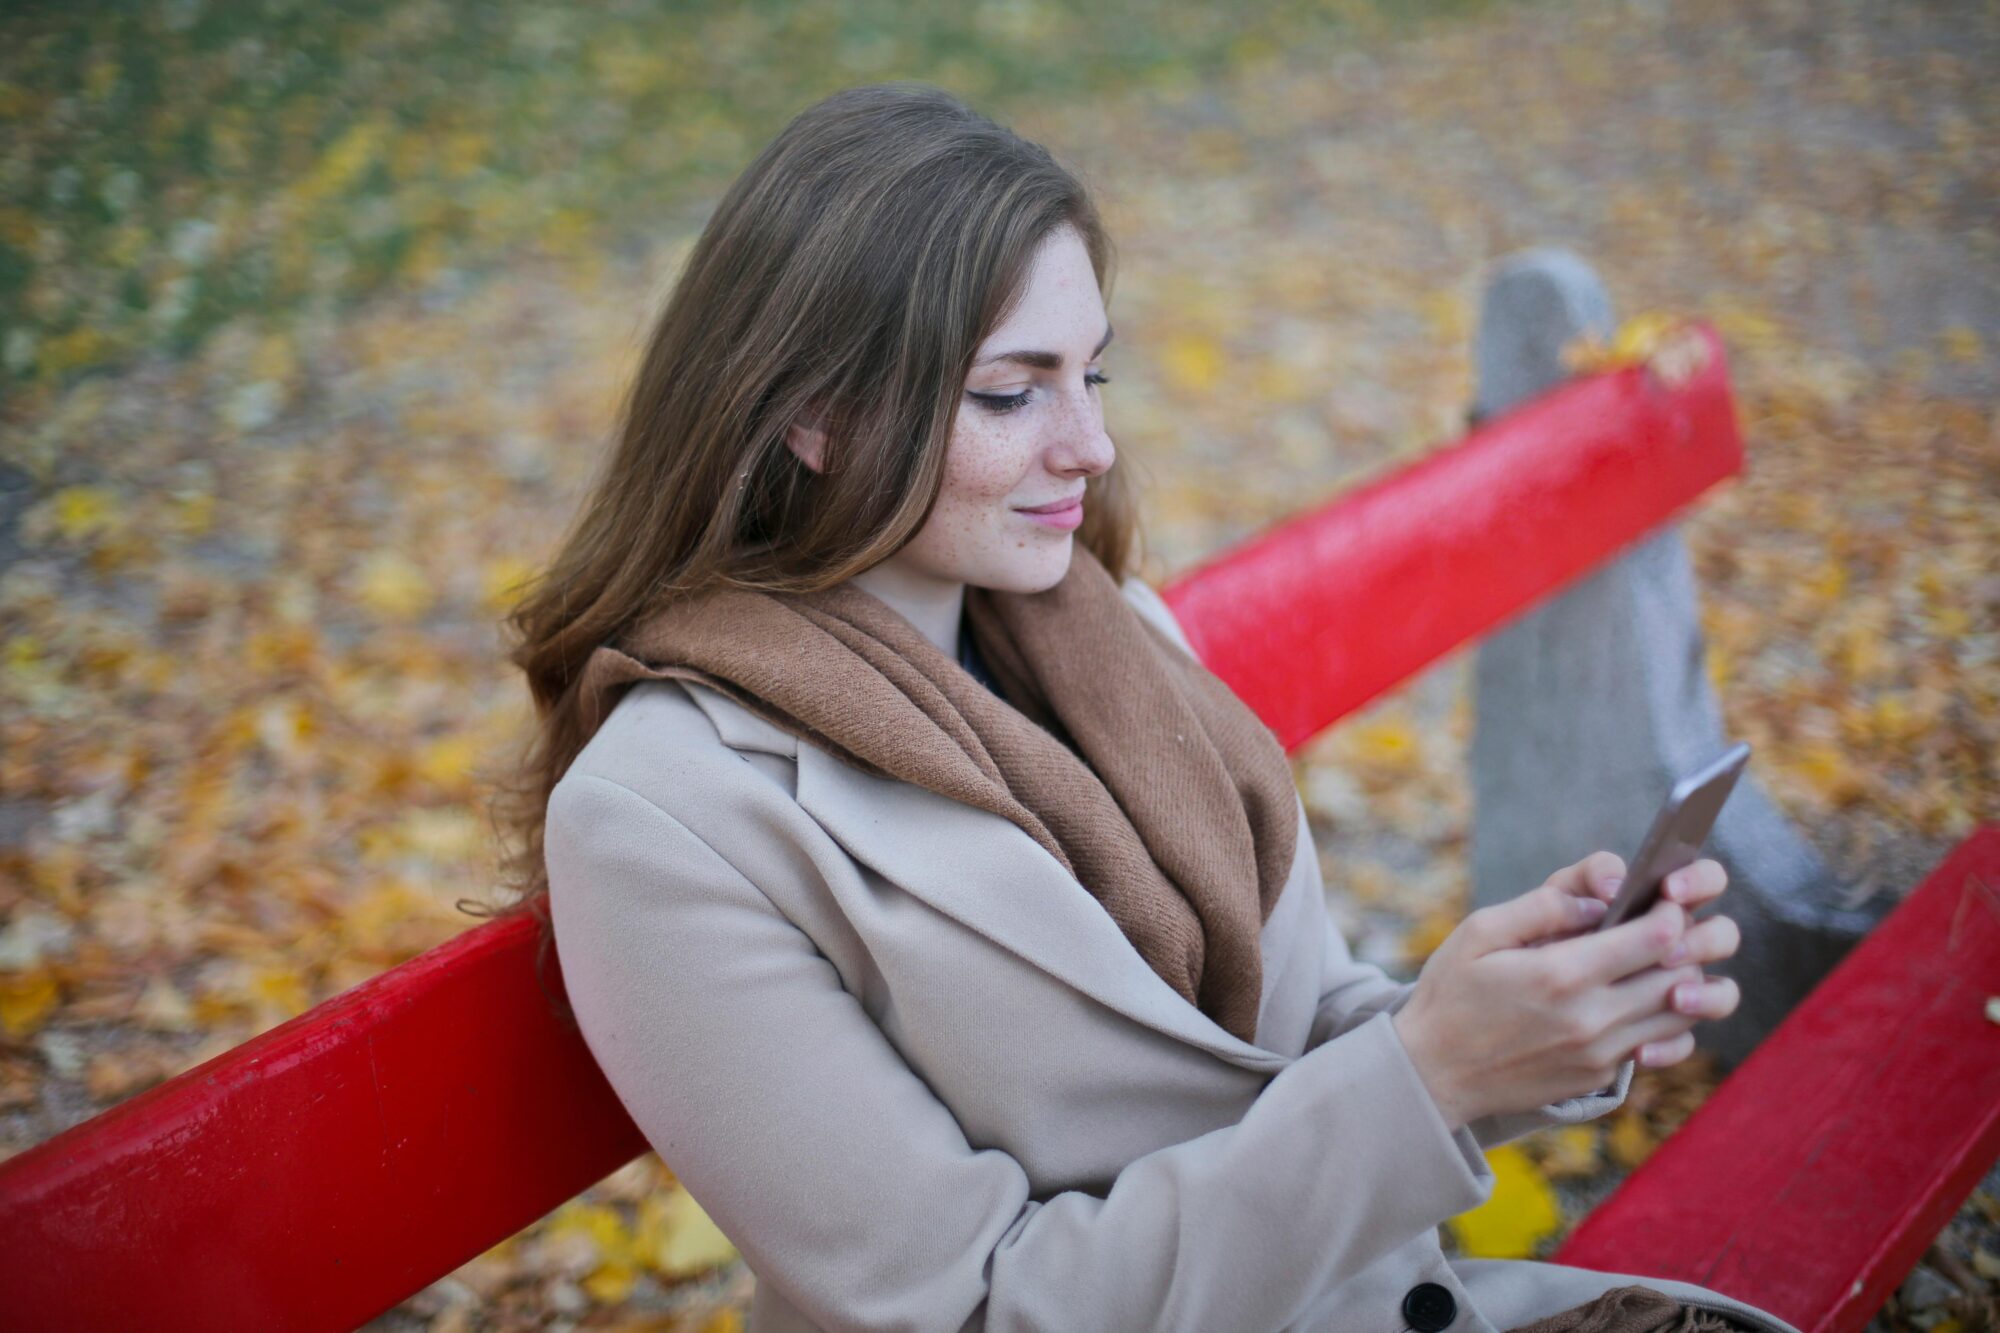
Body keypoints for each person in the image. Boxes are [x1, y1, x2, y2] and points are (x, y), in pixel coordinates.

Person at [497, 83, 1800, 1333]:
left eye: (1092, 377)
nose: (1090, 446)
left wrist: (1536, 1012)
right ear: (813, 421)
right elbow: (978, 1307)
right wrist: (1432, 1072)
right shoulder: (666, 816)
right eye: (1013, 392)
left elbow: (1291, 1045)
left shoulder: (1116, 639)